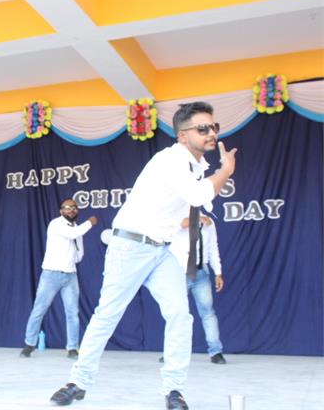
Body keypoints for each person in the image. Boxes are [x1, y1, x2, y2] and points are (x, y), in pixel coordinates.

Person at [50, 102, 237, 410]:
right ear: (182, 135)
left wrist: (215, 176)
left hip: (161, 250)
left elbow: (198, 203)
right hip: (130, 246)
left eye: (213, 127)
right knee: (107, 314)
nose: (211, 133)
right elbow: (199, 196)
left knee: (180, 315)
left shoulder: (197, 168)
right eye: (202, 128)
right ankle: (78, 382)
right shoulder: (170, 159)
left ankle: (174, 390)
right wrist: (225, 171)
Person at [20, 199, 97, 359]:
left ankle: (72, 348)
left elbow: (79, 252)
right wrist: (90, 222)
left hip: (70, 275)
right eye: (68, 208)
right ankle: (29, 344)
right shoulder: (56, 224)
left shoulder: (77, 228)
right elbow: (72, 234)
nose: (72, 210)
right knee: (39, 309)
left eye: (74, 208)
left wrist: (73, 258)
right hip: (51, 274)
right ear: (61, 211)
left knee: (72, 313)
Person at [166, 215, 226, 364]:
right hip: (180, 270)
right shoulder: (176, 215)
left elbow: (213, 248)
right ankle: (172, 352)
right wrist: (196, 219)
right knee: (176, 313)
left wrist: (218, 273)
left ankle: (216, 351)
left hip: (200, 271)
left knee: (208, 313)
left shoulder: (208, 221)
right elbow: (176, 226)